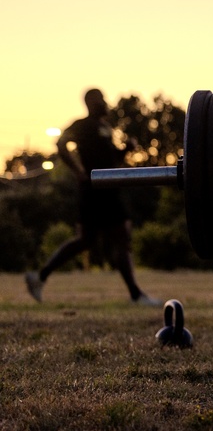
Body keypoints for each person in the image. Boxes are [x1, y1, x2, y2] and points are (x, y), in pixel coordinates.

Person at [25, 88, 160, 306]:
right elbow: (60, 145)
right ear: (90, 102)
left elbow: (111, 158)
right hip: (94, 189)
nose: (106, 102)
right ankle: (136, 295)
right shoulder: (82, 125)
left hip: (110, 187)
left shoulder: (105, 127)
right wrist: (78, 171)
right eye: (101, 99)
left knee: (91, 240)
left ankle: (39, 277)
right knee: (116, 236)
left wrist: (127, 149)